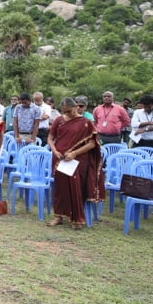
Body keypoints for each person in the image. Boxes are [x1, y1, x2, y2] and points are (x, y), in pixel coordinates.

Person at [47, 97, 105, 228]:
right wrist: (55, 151)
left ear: (76, 107)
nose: (67, 114)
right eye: (65, 112)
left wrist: (74, 153)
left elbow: (92, 143)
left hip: (77, 160)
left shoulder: (85, 122)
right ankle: (58, 216)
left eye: (69, 111)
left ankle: (77, 218)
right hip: (59, 158)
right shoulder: (59, 120)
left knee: (75, 187)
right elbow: (51, 138)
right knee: (60, 188)